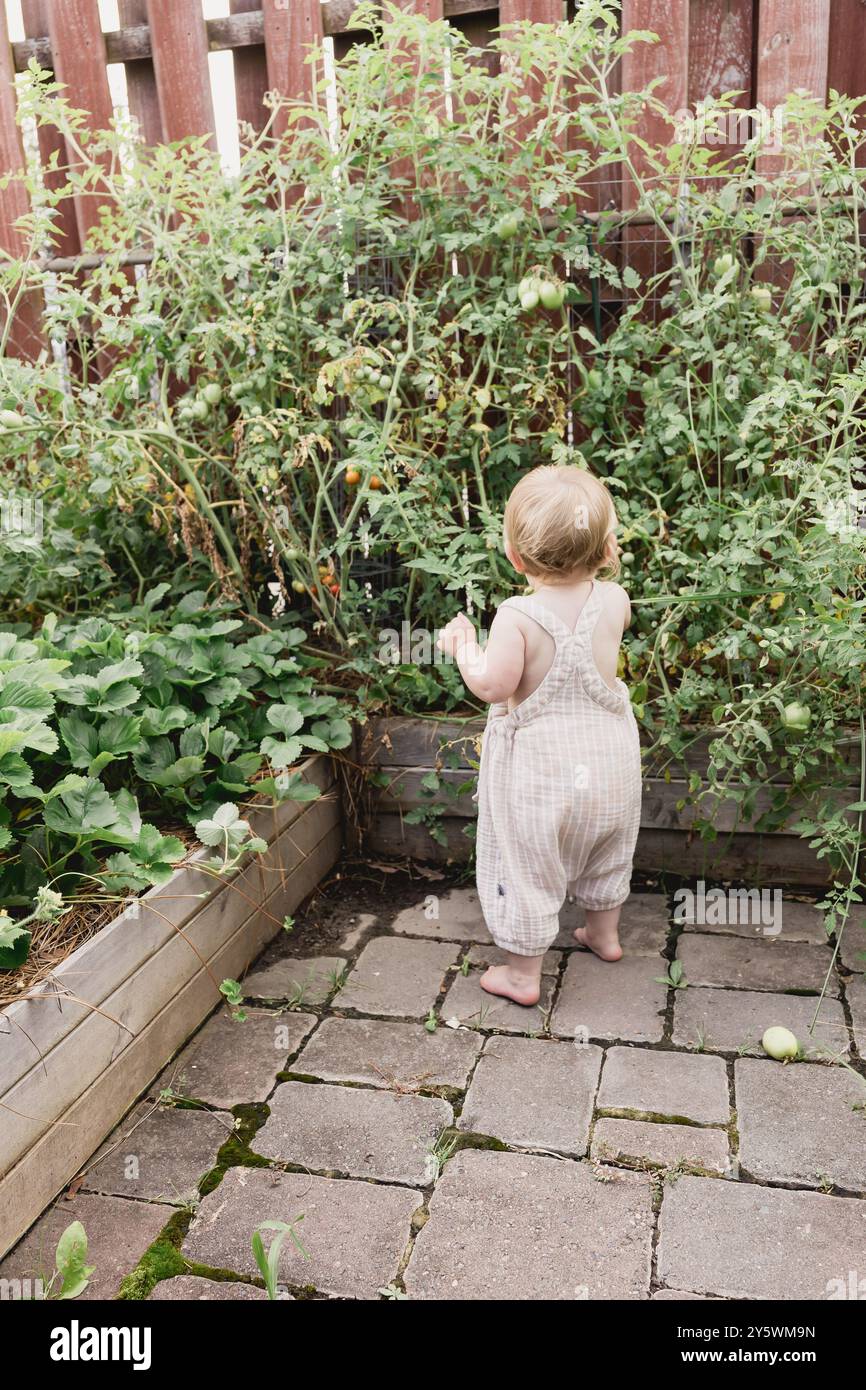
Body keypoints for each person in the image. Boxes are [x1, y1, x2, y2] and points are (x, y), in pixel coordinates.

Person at [437, 465, 641, 1006]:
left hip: (542, 775)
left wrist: (463, 647)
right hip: (610, 766)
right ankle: (604, 934)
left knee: (525, 864)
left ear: (515, 557)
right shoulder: (615, 600)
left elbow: (493, 685)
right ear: (605, 550)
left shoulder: (518, 616)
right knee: (607, 849)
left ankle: (525, 976)